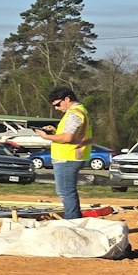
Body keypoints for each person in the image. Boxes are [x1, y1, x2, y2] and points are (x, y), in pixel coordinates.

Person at [37, 85, 91, 219]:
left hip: (68, 157)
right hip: (71, 156)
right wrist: (54, 131)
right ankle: (74, 219)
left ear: (67, 99)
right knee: (67, 191)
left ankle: (72, 221)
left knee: (65, 192)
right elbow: (72, 134)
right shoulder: (78, 111)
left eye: (57, 104)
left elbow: (68, 137)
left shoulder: (74, 113)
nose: (56, 108)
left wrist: (46, 136)